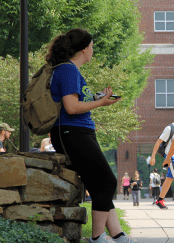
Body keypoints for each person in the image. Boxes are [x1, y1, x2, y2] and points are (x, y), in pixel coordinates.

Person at [47, 28, 136, 242]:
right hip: (72, 133)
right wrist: (102, 102)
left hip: (79, 132)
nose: (93, 50)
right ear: (85, 48)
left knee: (99, 185)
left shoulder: (71, 71)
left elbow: (76, 102)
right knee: (108, 182)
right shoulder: (67, 70)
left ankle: (118, 235)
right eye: (92, 46)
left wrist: (97, 97)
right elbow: (71, 107)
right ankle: (97, 238)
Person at [150, 108, 174, 210]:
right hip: (171, 157)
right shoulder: (170, 128)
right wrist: (153, 156)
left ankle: (159, 200)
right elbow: (158, 142)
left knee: (169, 179)